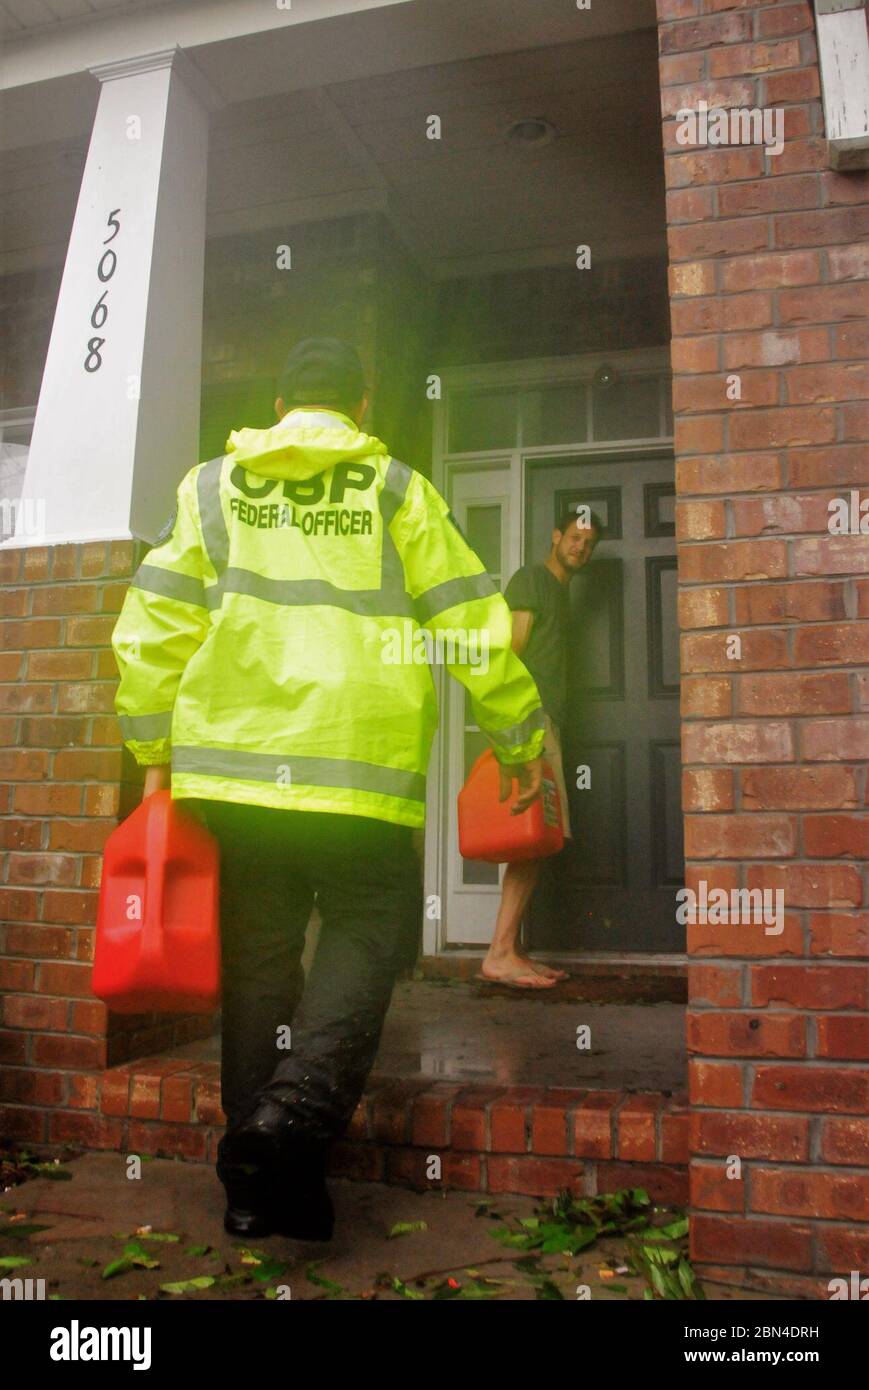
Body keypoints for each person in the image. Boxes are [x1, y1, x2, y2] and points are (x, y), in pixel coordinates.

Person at [110, 338, 547, 1240]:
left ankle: (260, 1188)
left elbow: (150, 626)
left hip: (235, 769)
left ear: (275, 405)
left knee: (260, 962)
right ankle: (293, 1114)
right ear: (363, 401)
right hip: (357, 767)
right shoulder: (394, 489)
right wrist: (518, 734)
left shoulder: (207, 488)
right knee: (367, 929)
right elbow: (471, 623)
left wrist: (152, 747)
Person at [479, 506, 601, 990]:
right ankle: (498, 952)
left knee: (539, 835)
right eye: (575, 537)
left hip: (547, 722)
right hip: (533, 723)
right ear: (556, 536)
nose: (580, 547)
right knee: (535, 838)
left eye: (588, 544)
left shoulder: (560, 594)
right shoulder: (531, 579)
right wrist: (515, 732)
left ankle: (514, 949)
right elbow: (511, 653)